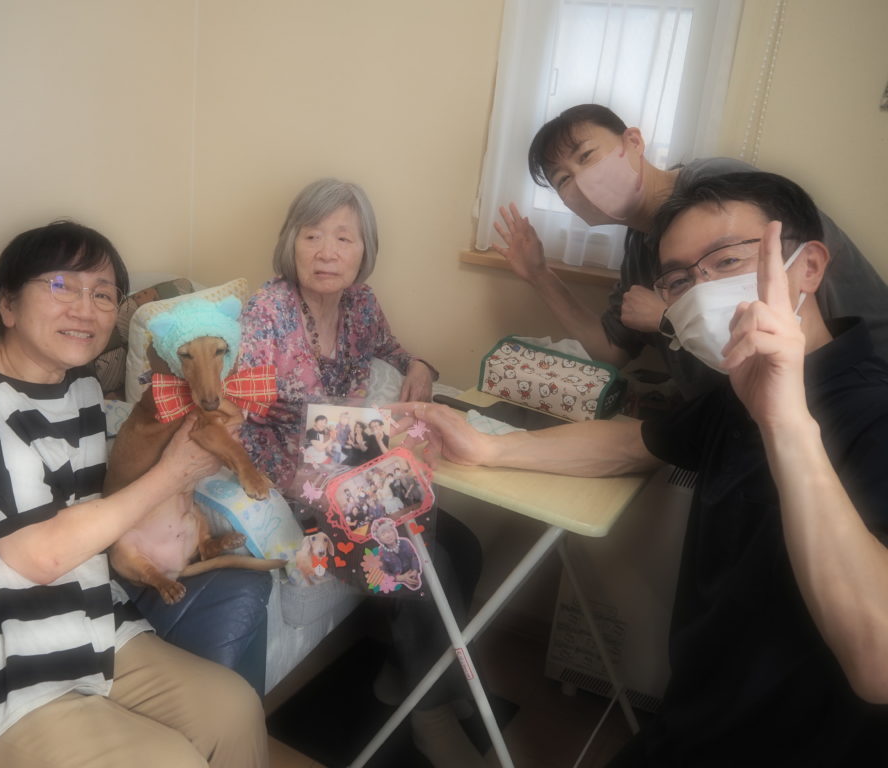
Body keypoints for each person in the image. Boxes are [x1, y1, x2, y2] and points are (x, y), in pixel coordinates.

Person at [399, 173, 888, 765]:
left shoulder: (872, 414)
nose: (703, 291)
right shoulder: (734, 391)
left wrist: (785, 423)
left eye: (727, 261)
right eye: (681, 280)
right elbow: (634, 444)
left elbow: (878, 665)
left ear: (807, 267)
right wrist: (489, 448)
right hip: (693, 722)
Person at [0, 221, 267, 767]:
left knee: (234, 709)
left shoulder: (81, 391)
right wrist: (174, 472)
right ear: (7, 305)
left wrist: (198, 438)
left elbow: (106, 503)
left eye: (103, 294)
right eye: (61, 286)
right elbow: (41, 555)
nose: (85, 308)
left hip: (83, 627)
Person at [238, 178, 486, 767]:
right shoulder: (268, 310)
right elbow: (243, 411)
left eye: (344, 238)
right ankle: (430, 718)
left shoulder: (361, 305)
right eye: (312, 235)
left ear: (363, 248)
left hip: (352, 470)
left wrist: (421, 367)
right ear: (291, 243)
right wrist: (353, 439)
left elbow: (396, 352)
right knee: (420, 555)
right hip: (292, 484)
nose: (327, 251)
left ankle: (406, 679)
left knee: (464, 546)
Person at [494, 103, 888, 399]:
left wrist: (668, 318)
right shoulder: (640, 248)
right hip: (754, 414)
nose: (582, 181)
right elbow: (612, 351)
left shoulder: (719, 187)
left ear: (633, 142)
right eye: (563, 180)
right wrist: (539, 275)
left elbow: (774, 311)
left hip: (854, 382)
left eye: (586, 156)